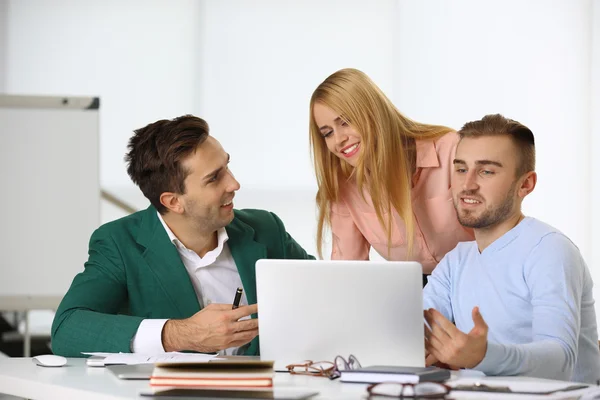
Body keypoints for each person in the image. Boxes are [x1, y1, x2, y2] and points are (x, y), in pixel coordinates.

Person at [51, 115, 313, 357]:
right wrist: (184, 334)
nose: (234, 184)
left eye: (227, 166)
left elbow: (327, 295)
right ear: (174, 202)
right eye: (214, 178)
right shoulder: (119, 243)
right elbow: (67, 329)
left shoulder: (266, 229)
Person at [423, 114, 600, 383]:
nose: (467, 184)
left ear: (525, 184)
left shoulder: (550, 250)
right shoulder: (455, 261)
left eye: (486, 171)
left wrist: (483, 356)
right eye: (461, 169)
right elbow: (414, 329)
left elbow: (560, 359)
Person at [309, 68, 473, 284]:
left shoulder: (450, 149)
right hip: (418, 290)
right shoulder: (344, 190)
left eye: (346, 121)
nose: (338, 139)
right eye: (328, 133)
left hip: (481, 276)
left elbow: (497, 234)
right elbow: (348, 272)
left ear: (373, 111)